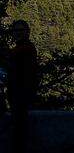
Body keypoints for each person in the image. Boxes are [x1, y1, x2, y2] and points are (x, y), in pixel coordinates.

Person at [3, 20, 38, 153]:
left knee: (20, 133)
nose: (17, 33)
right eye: (15, 31)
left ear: (27, 32)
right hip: (17, 96)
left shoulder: (26, 49)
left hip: (21, 96)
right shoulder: (21, 49)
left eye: (20, 31)